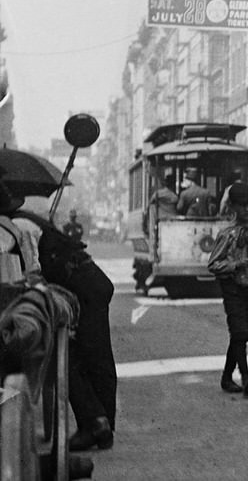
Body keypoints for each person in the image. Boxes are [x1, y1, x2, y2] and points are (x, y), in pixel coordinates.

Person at [0, 183, 118, 452]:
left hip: (85, 287)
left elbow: (32, 271)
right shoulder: (26, 220)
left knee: (78, 354)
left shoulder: (19, 226)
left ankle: (96, 424)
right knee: (95, 355)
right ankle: (102, 426)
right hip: (89, 283)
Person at [207, 182, 248, 397]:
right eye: (242, 206)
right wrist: (235, 265)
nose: (247, 210)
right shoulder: (227, 234)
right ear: (233, 207)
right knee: (239, 332)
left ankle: (227, 377)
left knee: (240, 336)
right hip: (233, 287)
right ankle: (246, 378)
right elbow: (213, 264)